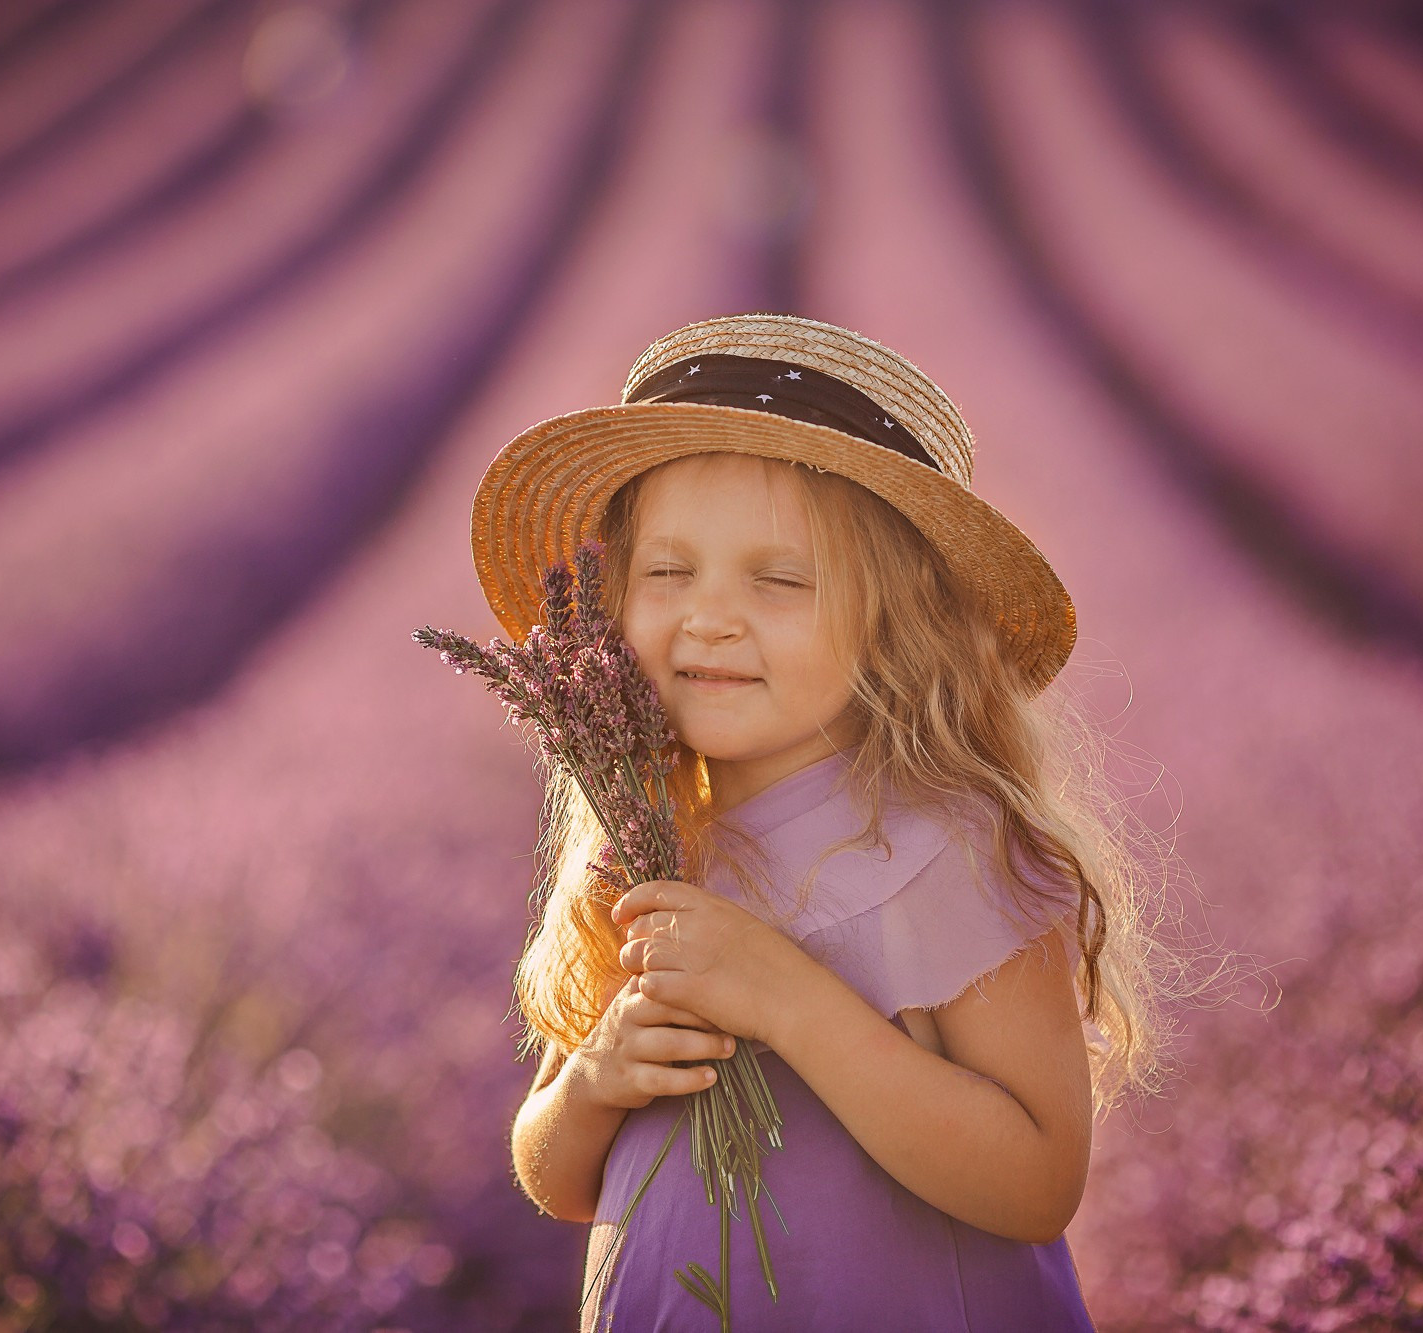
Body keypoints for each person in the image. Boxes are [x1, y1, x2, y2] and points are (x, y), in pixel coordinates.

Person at [472, 313, 1179, 1330]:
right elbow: (557, 1174)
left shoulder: (947, 847)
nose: (709, 615)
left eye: (779, 580)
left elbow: (1036, 1180)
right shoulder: (647, 849)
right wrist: (596, 1077)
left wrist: (789, 1002)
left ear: (894, 626)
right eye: (666, 573)